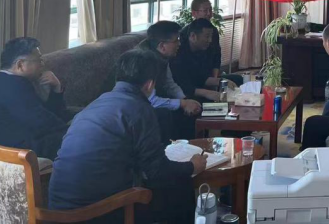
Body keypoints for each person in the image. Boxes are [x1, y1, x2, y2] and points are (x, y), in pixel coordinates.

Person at [48, 49, 206, 223]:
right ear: (149, 85)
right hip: (93, 213)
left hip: (57, 210)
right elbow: (156, 171)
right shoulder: (139, 109)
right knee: (180, 186)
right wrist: (192, 166)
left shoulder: (97, 104)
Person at [0, 37, 69, 159]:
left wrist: (56, 88)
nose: (42, 64)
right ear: (20, 65)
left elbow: (47, 115)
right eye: (39, 60)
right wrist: (73, 129)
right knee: (84, 138)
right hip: (14, 151)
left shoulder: (7, 80)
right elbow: (42, 121)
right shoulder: (10, 86)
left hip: (26, 140)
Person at [136, 21, 202, 141]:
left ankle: (192, 148)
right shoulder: (144, 61)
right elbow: (151, 101)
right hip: (134, 107)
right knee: (166, 114)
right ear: (162, 46)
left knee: (190, 109)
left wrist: (186, 100)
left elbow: (169, 84)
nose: (179, 44)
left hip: (150, 102)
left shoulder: (161, 56)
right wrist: (182, 104)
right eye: (176, 40)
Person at [180, 0, 244, 87]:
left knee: (239, 79)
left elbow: (217, 56)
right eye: (205, 10)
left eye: (210, 10)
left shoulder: (213, 30)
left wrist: (215, 78)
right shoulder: (185, 34)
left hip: (210, 76)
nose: (209, 14)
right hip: (194, 79)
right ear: (194, 13)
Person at [172, 18, 225, 103]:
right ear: (193, 36)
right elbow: (183, 86)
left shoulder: (203, 49)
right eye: (207, 36)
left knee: (236, 79)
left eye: (211, 36)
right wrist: (206, 93)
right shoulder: (178, 53)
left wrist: (220, 81)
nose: (210, 40)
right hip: (186, 94)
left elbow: (202, 77)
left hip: (199, 87)